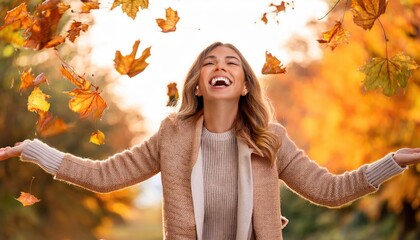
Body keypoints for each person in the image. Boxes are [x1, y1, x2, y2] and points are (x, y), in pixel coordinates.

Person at [1, 42, 420, 240]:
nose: (220, 67)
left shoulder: (270, 140)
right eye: (210, 64)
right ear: (199, 85)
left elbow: (330, 191)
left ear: (243, 85)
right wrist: (35, 151)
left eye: (231, 63)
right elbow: (104, 176)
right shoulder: (172, 135)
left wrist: (393, 160)